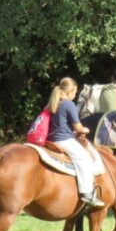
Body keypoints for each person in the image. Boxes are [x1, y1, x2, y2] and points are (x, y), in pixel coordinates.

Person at [47, 77, 105, 207]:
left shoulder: (54, 102)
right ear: (70, 92)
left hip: (51, 139)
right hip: (64, 140)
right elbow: (78, 127)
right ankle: (87, 193)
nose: (75, 96)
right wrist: (85, 129)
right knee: (84, 158)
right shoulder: (68, 104)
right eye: (75, 93)